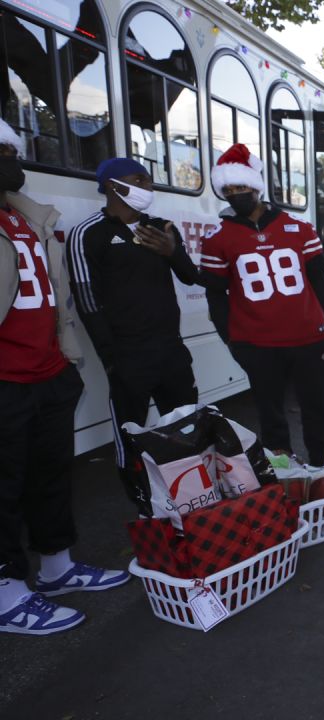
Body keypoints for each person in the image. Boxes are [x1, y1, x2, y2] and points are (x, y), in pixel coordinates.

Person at [0, 120, 130, 635]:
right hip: (6, 379)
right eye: (4, 151)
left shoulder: (24, 217)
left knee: (50, 475)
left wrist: (65, 360)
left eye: (14, 149)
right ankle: (8, 590)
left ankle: (56, 567)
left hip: (48, 372)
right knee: (3, 488)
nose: (15, 158)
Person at [199, 144, 324, 486]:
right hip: (256, 341)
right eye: (227, 190)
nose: (235, 195)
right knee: (269, 410)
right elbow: (215, 293)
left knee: (315, 405)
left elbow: (317, 279)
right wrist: (230, 337)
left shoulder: (298, 228)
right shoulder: (218, 238)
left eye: (240, 188)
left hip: (307, 335)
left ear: (256, 187)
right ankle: (285, 467)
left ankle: (321, 464)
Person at [65, 158, 201, 515]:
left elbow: (190, 277)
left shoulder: (162, 227)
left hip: (171, 350)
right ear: (112, 185)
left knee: (187, 427)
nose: (148, 185)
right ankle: (144, 504)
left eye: (149, 179)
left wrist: (171, 251)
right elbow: (87, 301)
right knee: (131, 436)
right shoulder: (88, 233)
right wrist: (111, 359)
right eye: (138, 179)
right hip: (127, 356)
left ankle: (191, 498)